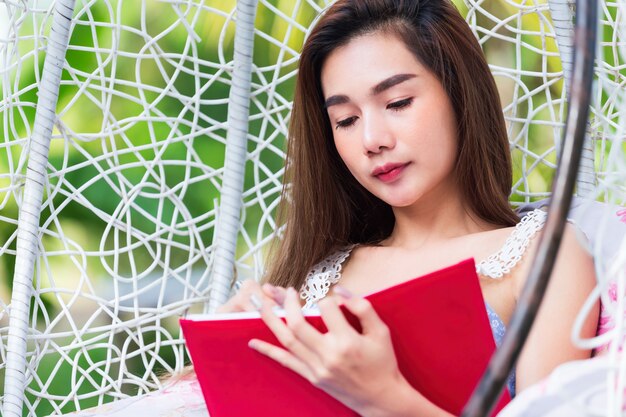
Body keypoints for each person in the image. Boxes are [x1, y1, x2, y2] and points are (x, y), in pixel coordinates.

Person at [219, 0, 600, 416]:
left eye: (398, 102)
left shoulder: (542, 255)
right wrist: (233, 352)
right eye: (345, 120)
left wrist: (384, 398)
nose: (372, 139)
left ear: (459, 93)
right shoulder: (320, 273)